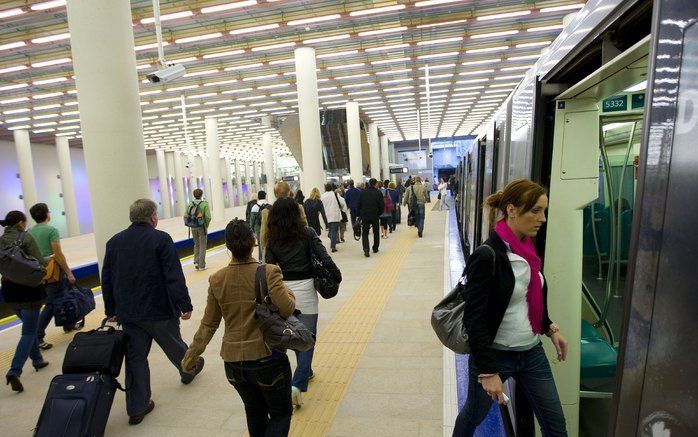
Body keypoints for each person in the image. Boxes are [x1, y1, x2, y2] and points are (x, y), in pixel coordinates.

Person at [453, 179, 568, 437]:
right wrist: (487, 371)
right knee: (473, 415)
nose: (543, 218)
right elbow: (475, 318)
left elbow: (531, 297)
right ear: (513, 210)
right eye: (535, 211)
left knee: (555, 426)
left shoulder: (527, 250)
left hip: (531, 353)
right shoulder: (487, 255)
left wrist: (549, 328)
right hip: (496, 355)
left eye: (544, 211)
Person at [182, 219, 296, 437]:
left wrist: (190, 357)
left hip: (234, 365)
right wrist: (287, 291)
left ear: (227, 246)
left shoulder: (217, 279)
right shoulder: (269, 272)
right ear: (254, 241)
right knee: (280, 414)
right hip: (267, 359)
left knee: (254, 412)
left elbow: (209, 324)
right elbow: (288, 308)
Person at [103, 199, 204, 425]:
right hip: (159, 310)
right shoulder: (161, 239)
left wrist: (111, 309)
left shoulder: (114, 242)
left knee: (135, 359)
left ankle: (137, 408)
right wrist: (184, 305)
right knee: (175, 345)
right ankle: (189, 369)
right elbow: (173, 275)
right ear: (152, 218)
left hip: (129, 313)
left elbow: (107, 279)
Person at [265, 197, 340, 408]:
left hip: (283, 292)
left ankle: (305, 371)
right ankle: (297, 384)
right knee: (307, 337)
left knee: (293, 334)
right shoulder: (308, 233)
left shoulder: (272, 240)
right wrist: (335, 275)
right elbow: (324, 257)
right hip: (306, 290)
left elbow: (268, 268)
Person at [1, 211, 50, 392]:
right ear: (21, 223)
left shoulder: (0, 241)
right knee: (29, 331)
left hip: (8, 291)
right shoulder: (26, 237)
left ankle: (37, 360)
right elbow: (40, 262)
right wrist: (49, 259)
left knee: (28, 326)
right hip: (28, 290)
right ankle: (15, 371)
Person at [27, 203, 81, 351]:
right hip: (53, 272)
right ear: (46, 214)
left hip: (38, 272)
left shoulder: (29, 231)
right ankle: (38, 335)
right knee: (52, 303)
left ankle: (68, 324)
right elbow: (58, 254)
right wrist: (69, 272)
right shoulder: (51, 230)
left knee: (60, 297)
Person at [259, 182, 308, 260]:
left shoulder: (267, 211)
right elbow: (305, 228)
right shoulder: (299, 208)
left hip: (276, 255)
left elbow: (263, 237)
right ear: (289, 193)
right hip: (298, 253)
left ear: (275, 194)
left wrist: (266, 256)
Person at [186, 189, 211, 271]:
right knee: (202, 245)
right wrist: (206, 225)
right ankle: (202, 265)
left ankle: (196, 262)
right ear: (201, 195)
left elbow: (185, 215)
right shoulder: (204, 204)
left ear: (194, 195)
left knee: (196, 244)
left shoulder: (190, 204)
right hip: (201, 227)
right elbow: (208, 217)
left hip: (193, 227)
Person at [357, 178, 384, 257]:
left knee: (365, 233)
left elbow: (359, 204)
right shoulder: (378, 193)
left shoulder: (362, 192)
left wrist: (359, 215)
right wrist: (379, 213)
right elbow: (382, 205)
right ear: (375, 184)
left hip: (365, 215)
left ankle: (366, 249)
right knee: (376, 232)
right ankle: (375, 248)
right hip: (375, 215)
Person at [320, 183, 347, 253]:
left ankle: (331, 238)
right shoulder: (335, 194)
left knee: (331, 230)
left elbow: (321, 205)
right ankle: (333, 246)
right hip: (334, 215)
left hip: (326, 216)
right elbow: (342, 203)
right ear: (331, 188)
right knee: (334, 231)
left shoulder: (323, 196)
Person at [249, 191, 270, 261]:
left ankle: (261, 260)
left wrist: (252, 231)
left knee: (261, 245)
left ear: (258, 197)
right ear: (265, 196)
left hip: (258, 229)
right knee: (269, 244)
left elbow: (252, 220)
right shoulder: (270, 206)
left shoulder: (255, 207)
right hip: (268, 228)